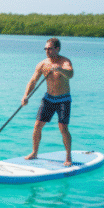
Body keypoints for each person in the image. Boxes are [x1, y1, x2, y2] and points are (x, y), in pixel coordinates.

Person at [23, 37, 75, 166]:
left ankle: (68, 156)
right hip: (49, 99)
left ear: (57, 49)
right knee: (37, 126)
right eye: (46, 49)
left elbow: (70, 74)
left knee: (63, 128)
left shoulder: (64, 62)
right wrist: (25, 96)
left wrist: (60, 69)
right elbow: (33, 81)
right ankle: (34, 152)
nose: (47, 51)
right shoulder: (42, 64)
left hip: (63, 99)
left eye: (50, 48)